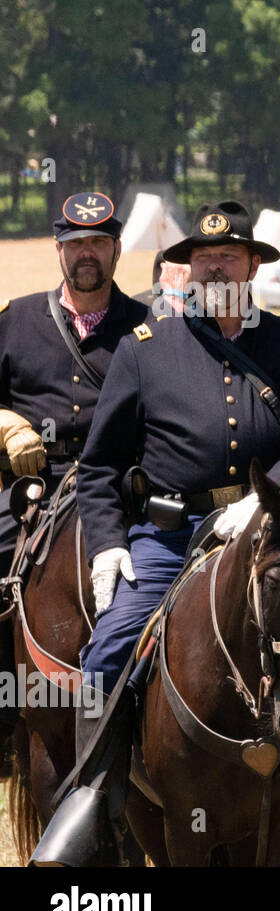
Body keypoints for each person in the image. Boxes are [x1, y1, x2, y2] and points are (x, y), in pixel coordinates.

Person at [31, 200, 280, 865]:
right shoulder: (144, 352)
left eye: (230, 257)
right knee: (107, 654)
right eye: (204, 258)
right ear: (188, 270)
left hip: (274, 527)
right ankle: (93, 804)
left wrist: (261, 500)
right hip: (168, 535)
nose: (216, 266)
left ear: (252, 265)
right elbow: (100, 465)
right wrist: (107, 544)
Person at [0, 192, 146, 766]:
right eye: (76, 243)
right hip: (29, 487)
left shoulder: (148, 327)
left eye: (99, 244)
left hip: (121, 487)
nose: (88, 254)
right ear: (59, 249)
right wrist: (6, 424)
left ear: (115, 250)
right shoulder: (14, 321)